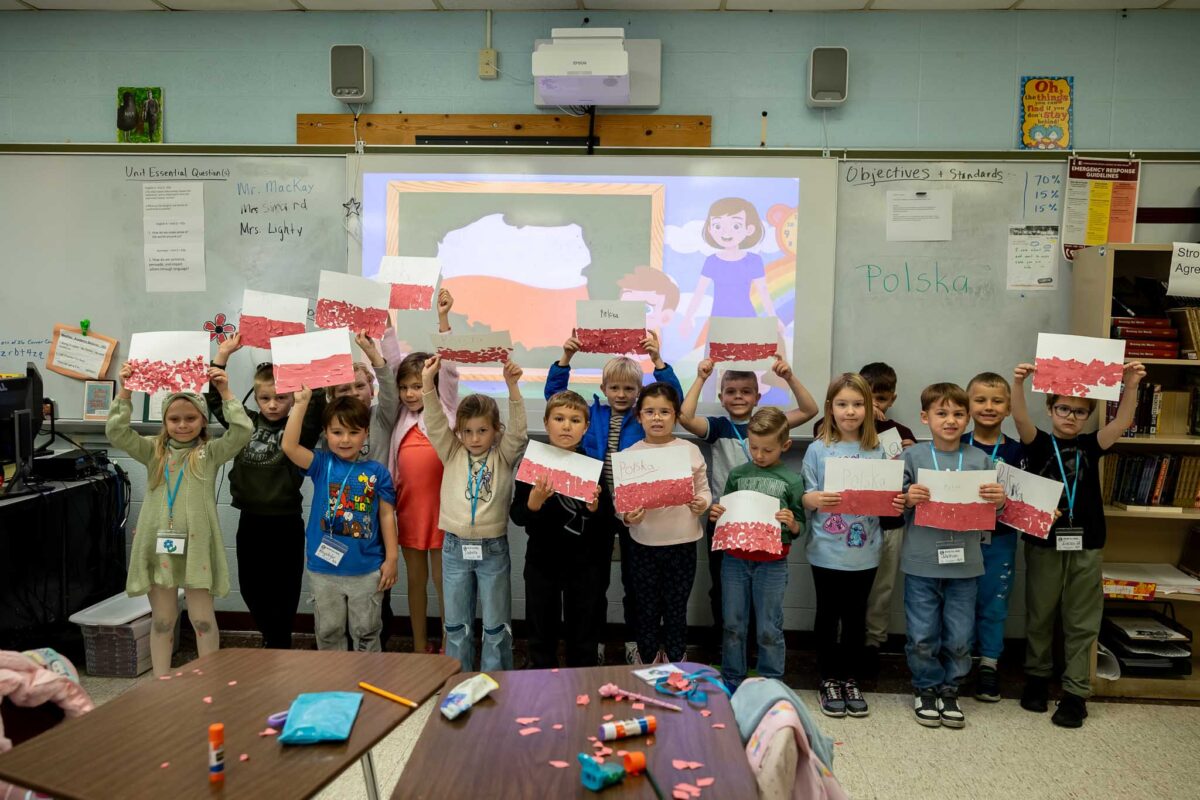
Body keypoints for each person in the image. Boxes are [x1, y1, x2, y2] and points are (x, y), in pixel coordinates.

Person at [1010, 360, 1145, 728]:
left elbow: (1122, 422)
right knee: (1040, 612)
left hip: (1086, 542)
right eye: (1063, 409)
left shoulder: (1091, 445)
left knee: (1081, 618)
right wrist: (1019, 383)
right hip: (1044, 540)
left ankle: (1075, 692)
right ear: (1050, 409)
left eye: (1080, 412)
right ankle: (1037, 678)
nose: (1071, 416)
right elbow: (1019, 417)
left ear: (1088, 416)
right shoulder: (1038, 443)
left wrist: (1131, 385)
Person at [545, 331, 683, 665]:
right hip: (596, 508)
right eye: (615, 388)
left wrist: (658, 362)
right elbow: (554, 397)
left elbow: (674, 399)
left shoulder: (643, 417)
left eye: (629, 389)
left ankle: (636, 642)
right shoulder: (592, 414)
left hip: (636, 508)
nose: (621, 394)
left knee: (636, 583)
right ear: (604, 388)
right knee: (595, 582)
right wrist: (565, 359)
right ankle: (595, 642)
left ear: (639, 391)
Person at [106, 363, 251, 676]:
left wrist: (225, 392)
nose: (182, 425)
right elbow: (116, 432)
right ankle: (162, 682)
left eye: (190, 418)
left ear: (203, 421)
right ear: (165, 422)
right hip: (159, 546)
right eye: (174, 419)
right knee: (162, 621)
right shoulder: (152, 451)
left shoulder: (210, 453)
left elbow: (242, 431)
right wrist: (126, 391)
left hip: (197, 549)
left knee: (202, 620)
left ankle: (207, 682)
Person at [680, 355, 817, 655]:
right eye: (731, 391)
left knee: (760, 593)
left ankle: (755, 651)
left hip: (766, 524)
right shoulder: (719, 427)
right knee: (722, 589)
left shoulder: (771, 425)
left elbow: (810, 410)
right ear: (721, 398)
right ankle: (726, 650)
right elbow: (686, 418)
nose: (739, 396)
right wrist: (702, 377)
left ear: (758, 396)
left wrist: (789, 376)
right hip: (725, 521)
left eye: (746, 391)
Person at [205, 333, 326, 650]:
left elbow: (316, 403)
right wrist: (222, 355)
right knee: (250, 587)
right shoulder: (244, 423)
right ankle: (272, 637)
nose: (273, 404)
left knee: (285, 590)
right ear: (256, 399)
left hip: (285, 521)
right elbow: (215, 400)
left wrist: (301, 355)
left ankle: (278, 644)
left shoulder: (299, 428)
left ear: (292, 398)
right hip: (251, 520)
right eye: (265, 398)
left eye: (281, 398)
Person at [802, 374, 906, 718]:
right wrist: (814, 498)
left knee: (856, 616)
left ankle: (849, 678)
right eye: (843, 404)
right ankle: (828, 678)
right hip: (826, 551)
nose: (850, 411)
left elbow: (893, 498)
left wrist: (897, 500)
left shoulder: (880, 450)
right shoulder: (818, 449)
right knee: (827, 615)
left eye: (858, 404)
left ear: (870, 408)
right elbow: (805, 495)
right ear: (830, 408)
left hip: (866, 553)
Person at [902, 383, 1006, 729]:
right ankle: (925, 688)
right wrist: (908, 497)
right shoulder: (912, 457)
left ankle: (951, 689)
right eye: (941, 413)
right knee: (922, 634)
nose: (950, 420)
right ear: (925, 417)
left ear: (968, 418)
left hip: (966, 564)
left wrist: (999, 501)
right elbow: (894, 504)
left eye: (958, 414)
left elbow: (994, 511)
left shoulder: (980, 459)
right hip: (921, 562)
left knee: (960, 635)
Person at [422, 355, 528, 672]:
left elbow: (519, 433)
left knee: (495, 627)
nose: (474, 438)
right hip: (454, 548)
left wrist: (513, 387)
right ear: (459, 432)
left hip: (492, 550)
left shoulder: (504, 456)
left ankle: (495, 683)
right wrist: (427, 382)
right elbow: (435, 422)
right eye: (467, 431)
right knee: (456, 626)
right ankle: (459, 680)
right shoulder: (452, 451)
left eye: (482, 430)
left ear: (496, 430)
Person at [813, 362, 917, 673]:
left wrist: (908, 454)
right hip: (842, 532)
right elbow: (822, 438)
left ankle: (872, 644)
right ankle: (836, 654)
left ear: (891, 399)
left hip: (886, 526)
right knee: (838, 602)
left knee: (879, 590)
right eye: (863, 399)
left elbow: (905, 484)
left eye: (878, 400)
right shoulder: (829, 431)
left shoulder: (901, 434)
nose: (869, 407)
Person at [282, 389, 398, 652]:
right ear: (326, 433)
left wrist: (391, 559)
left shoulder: (377, 472)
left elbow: (386, 515)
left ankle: (368, 675)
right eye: (337, 432)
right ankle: (334, 677)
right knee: (329, 631)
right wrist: (300, 404)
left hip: (366, 569)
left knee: (366, 632)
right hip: (323, 569)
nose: (345, 439)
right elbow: (289, 446)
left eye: (354, 432)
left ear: (366, 433)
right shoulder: (321, 464)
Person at [510, 390, 609, 668]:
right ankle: (542, 680)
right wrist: (534, 502)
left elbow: (608, 521)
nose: (567, 426)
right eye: (559, 418)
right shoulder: (532, 464)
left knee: (584, 631)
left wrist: (594, 508)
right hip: (542, 561)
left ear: (586, 427)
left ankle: (582, 680)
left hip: (584, 564)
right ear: (546, 423)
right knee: (541, 629)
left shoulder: (593, 467)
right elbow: (517, 515)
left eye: (575, 420)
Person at [708, 407, 804, 691]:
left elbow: (801, 525)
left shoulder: (792, 480)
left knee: (768, 627)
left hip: (773, 563)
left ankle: (771, 682)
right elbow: (725, 513)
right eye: (753, 448)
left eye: (767, 450)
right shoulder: (738, 474)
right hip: (734, 560)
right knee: (733, 624)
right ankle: (732, 678)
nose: (759, 455)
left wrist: (792, 523)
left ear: (785, 445)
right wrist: (717, 515)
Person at [384, 288, 458, 654]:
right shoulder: (400, 416)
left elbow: (449, 368)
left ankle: (447, 645)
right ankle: (417, 645)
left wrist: (443, 318)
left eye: (417, 386)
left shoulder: (444, 407)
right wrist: (384, 318)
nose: (411, 394)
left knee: (445, 585)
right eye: (405, 388)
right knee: (415, 583)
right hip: (410, 512)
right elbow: (391, 361)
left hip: (444, 514)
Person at [620, 382, 711, 665]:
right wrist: (627, 516)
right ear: (639, 417)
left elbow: (704, 490)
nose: (657, 418)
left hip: (683, 543)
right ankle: (647, 659)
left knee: (676, 608)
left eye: (664, 411)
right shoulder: (630, 454)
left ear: (675, 416)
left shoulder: (690, 450)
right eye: (649, 412)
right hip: (644, 544)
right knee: (646, 608)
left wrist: (702, 503)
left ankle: (675, 659)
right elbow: (620, 503)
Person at [961, 371, 1027, 702]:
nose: (989, 406)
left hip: (999, 540)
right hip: (959, 539)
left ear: (1008, 408)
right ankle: (959, 660)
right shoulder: (955, 444)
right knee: (959, 600)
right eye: (980, 400)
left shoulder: (1018, 451)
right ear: (968, 405)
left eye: (997, 401)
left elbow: (1027, 497)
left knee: (994, 601)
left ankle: (989, 663)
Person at [678, 197, 782, 338]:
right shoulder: (712, 261)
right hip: (719, 321)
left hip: (746, 319)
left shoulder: (754, 261)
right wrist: (687, 318)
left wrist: (773, 318)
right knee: (718, 351)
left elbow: (763, 291)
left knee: (746, 351)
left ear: (749, 229)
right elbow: (699, 293)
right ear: (710, 229)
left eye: (736, 226)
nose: (726, 232)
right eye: (718, 226)